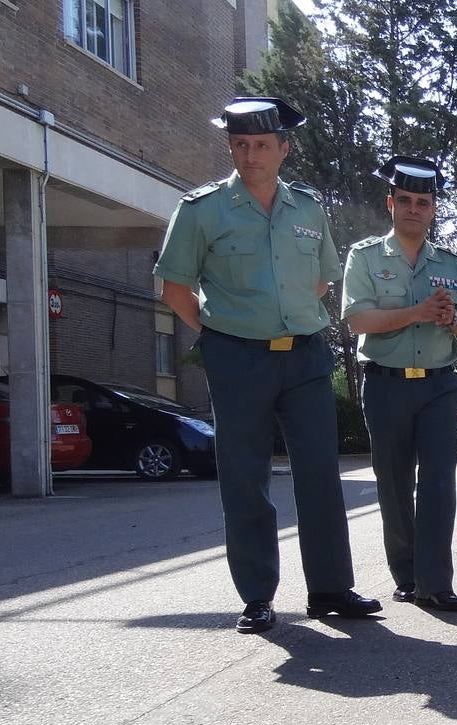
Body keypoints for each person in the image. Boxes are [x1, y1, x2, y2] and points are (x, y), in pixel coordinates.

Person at [154, 97, 381, 634]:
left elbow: (321, 279)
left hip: (304, 356)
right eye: (240, 145)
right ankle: (257, 595)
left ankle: (330, 588)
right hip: (237, 358)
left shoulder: (308, 208)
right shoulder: (201, 209)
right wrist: (221, 334)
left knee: (321, 473)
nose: (250, 155)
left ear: (284, 148)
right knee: (245, 477)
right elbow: (175, 288)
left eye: (261, 145)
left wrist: (286, 316)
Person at [341, 155, 457, 612]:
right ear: (391, 204)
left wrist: (451, 317)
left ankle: (435, 582)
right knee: (394, 484)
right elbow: (358, 319)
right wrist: (417, 312)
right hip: (387, 384)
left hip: (439, 385)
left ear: (433, 209)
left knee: (439, 483)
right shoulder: (365, 257)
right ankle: (406, 575)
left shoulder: (451, 264)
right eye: (405, 201)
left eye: (423, 202)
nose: (413, 209)